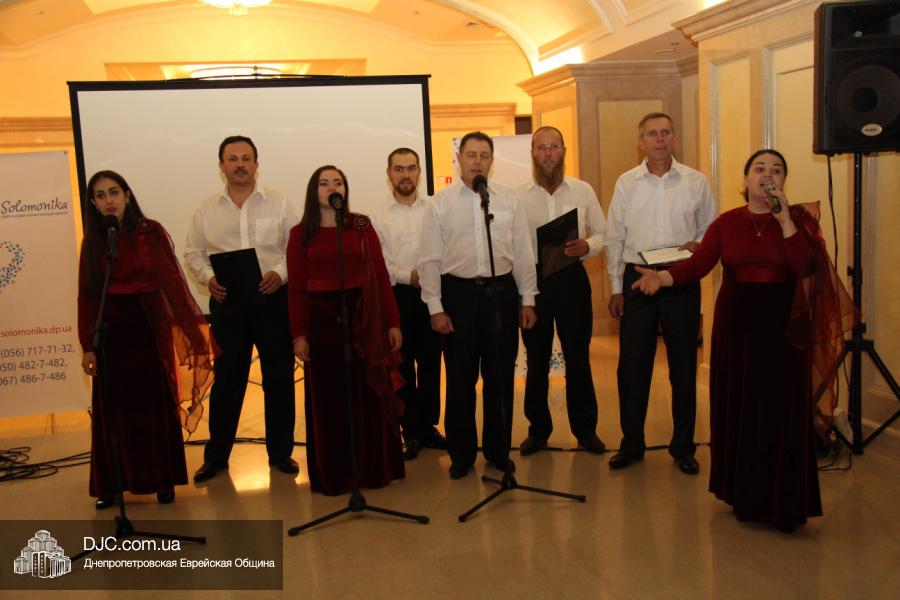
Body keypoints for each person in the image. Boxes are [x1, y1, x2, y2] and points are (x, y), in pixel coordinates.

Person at [630, 149, 855, 532]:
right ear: (746, 179)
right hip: (736, 328)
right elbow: (699, 264)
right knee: (743, 406)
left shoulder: (797, 221)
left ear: (783, 181)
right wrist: (662, 278)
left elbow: (805, 267)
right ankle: (745, 494)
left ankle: (784, 501)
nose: (768, 174)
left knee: (780, 409)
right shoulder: (726, 223)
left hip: (783, 330)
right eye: (760, 168)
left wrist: (784, 220)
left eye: (777, 170)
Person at [78, 170, 214, 508]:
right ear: (93, 203)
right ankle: (113, 485)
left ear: (127, 195)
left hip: (148, 330)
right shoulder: (93, 241)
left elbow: (172, 282)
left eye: (114, 192)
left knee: (153, 406)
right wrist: (88, 346)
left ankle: (162, 479)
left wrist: (192, 332)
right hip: (111, 334)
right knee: (114, 411)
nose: (109, 201)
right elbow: (87, 296)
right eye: (100, 195)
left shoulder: (148, 231)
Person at [418, 131, 538, 479]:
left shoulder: (508, 199)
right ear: (459, 159)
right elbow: (429, 259)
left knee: (500, 378)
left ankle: (498, 451)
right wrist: (435, 307)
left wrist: (528, 298)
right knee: (460, 379)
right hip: (458, 296)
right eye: (471, 155)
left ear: (492, 161)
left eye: (484, 155)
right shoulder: (439, 203)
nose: (477, 162)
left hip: (501, 293)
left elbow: (523, 252)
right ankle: (461, 454)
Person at [604, 112, 717, 475]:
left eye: (666, 132)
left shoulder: (696, 181)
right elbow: (614, 237)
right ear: (641, 142)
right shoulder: (627, 183)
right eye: (652, 134)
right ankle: (631, 444)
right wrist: (616, 288)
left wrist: (698, 244)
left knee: (683, 365)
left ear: (674, 137)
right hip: (637, 279)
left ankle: (683, 446)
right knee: (632, 366)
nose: (660, 139)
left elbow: (710, 230)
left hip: (678, 278)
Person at [184, 135, 299, 482]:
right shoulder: (206, 209)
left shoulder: (279, 203)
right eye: (232, 159)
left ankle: (281, 453)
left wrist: (280, 274)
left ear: (256, 164)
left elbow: (295, 248)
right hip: (228, 304)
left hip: (272, 300)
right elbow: (193, 253)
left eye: (246, 158)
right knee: (228, 382)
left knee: (278, 379)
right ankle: (217, 458)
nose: (240, 164)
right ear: (221, 166)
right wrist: (208, 278)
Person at [286, 165, 405, 495]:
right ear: (314, 192)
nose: (332, 188)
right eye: (324, 183)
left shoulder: (361, 225)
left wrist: (392, 321)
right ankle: (336, 474)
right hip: (322, 324)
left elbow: (381, 275)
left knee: (367, 394)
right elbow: (296, 289)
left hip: (364, 319)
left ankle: (373, 469)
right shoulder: (300, 233)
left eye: (337, 183)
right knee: (330, 399)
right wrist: (299, 334)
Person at [517, 126, 607, 456]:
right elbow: (515, 246)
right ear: (532, 153)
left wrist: (588, 245)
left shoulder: (582, 190)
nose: (548, 153)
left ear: (564, 151)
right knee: (537, 361)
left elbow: (603, 233)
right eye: (541, 147)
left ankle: (586, 431)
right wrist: (525, 296)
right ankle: (538, 430)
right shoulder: (518, 196)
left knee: (578, 359)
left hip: (572, 281)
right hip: (535, 283)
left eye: (553, 146)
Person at [371, 148, 446, 460]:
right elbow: (378, 262)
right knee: (401, 365)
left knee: (431, 365)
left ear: (419, 172)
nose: (405, 174)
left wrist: (428, 277)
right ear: (389, 174)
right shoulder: (376, 215)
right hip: (397, 295)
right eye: (399, 169)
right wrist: (408, 276)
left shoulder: (436, 208)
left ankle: (428, 427)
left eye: (411, 168)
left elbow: (445, 248)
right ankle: (410, 430)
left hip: (433, 295)